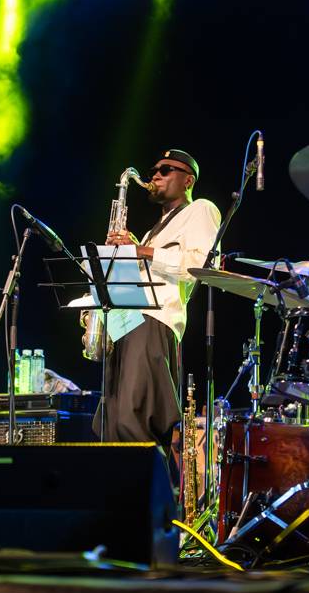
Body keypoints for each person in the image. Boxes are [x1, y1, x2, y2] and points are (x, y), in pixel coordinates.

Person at [93, 149, 221, 448]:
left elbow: (203, 265)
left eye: (165, 170)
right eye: (154, 171)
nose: (155, 176)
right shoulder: (153, 231)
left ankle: (151, 479)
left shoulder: (200, 209)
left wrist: (140, 251)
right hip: (125, 324)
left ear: (188, 180)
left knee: (134, 419)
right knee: (110, 422)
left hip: (154, 320)